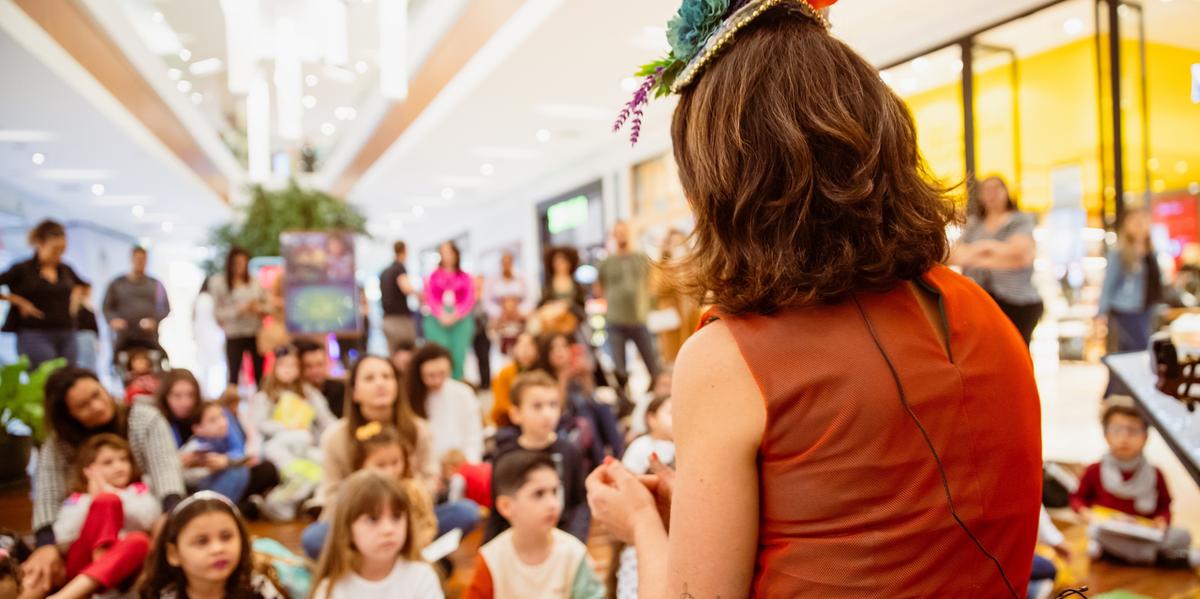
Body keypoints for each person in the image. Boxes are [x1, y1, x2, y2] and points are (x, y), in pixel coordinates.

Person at [587, 2, 1041, 597]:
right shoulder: (982, 313)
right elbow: (890, 515)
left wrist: (642, 524)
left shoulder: (730, 359)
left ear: (723, 182)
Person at [24, 367, 185, 598]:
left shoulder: (144, 419)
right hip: (80, 551)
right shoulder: (58, 448)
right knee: (39, 568)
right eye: (83, 406)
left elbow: (167, 476)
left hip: (137, 544)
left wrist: (169, 516)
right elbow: (50, 505)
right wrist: (47, 545)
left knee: (142, 541)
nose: (97, 406)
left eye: (97, 394)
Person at [303, 356, 479, 560]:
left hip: (411, 519)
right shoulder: (336, 437)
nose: (380, 383)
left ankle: (408, 556)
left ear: (397, 385)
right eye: (369, 378)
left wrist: (408, 501)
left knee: (466, 512)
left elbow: (430, 479)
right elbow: (332, 493)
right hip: (356, 524)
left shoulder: (419, 430)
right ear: (355, 392)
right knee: (314, 538)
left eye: (387, 376)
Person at [1070, 398, 1198, 567]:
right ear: (1106, 435)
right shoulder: (1095, 469)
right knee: (1098, 533)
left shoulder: (1155, 473)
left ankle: (1116, 555)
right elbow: (1077, 498)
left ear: (1145, 436)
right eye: (1116, 430)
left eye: (1133, 430)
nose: (1124, 437)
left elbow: (1165, 505)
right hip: (1110, 531)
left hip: (1144, 532)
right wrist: (1085, 512)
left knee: (1183, 536)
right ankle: (1160, 558)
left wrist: (1162, 521)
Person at [464, 450, 604, 599]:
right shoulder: (491, 558)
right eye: (539, 494)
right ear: (506, 506)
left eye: (554, 492)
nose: (553, 504)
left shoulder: (574, 554)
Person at [48, 434, 158, 599]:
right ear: (88, 470)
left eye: (124, 459)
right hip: (80, 569)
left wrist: (112, 493)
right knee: (106, 501)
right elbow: (63, 540)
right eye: (108, 462)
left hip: (123, 573)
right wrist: (94, 501)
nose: (119, 467)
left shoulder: (137, 491)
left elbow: (150, 519)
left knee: (140, 541)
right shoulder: (78, 499)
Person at [155, 370, 279, 515]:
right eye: (177, 396)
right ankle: (232, 509)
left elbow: (240, 451)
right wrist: (181, 464)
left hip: (225, 473)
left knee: (261, 470)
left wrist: (225, 461)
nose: (185, 402)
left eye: (190, 395)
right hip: (193, 483)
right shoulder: (161, 423)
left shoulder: (213, 410)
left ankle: (231, 507)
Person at [485, 371, 588, 543]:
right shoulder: (505, 457)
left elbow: (579, 503)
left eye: (553, 405)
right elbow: (497, 513)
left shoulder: (570, 451)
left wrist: (575, 539)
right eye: (537, 406)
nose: (547, 414)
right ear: (516, 413)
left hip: (562, 539)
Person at [310, 470, 444, 599]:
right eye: (372, 519)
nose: (388, 529)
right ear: (347, 528)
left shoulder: (421, 577)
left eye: (396, 517)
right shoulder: (331, 589)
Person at [135, 492, 287, 599]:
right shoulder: (166, 596)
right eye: (202, 541)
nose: (218, 549)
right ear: (174, 554)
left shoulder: (258, 589)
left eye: (226, 537)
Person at [950, 176, 1043, 345]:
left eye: (996, 189)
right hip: (981, 302)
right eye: (987, 190)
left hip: (1018, 302)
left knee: (1017, 354)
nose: (991, 194)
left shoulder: (1020, 219)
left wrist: (981, 250)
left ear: (1006, 192)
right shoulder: (975, 224)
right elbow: (956, 256)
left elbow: (1021, 255)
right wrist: (1000, 253)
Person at [0, 219, 86, 367]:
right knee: (45, 377)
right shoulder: (22, 269)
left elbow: (84, 285)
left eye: (62, 249)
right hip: (35, 333)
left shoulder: (65, 269)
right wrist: (18, 301)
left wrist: (76, 297)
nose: (59, 254)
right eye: (55, 249)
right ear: (40, 244)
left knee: (69, 377)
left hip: (66, 331)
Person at [615, 396, 675, 599]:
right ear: (651, 418)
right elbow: (627, 484)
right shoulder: (641, 446)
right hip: (647, 522)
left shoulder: (685, 445)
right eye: (670, 413)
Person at [537, 332, 623, 469]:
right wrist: (563, 378)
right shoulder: (545, 378)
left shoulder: (576, 370)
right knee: (586, 417)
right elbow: (559, 408)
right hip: (564, 422)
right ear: (546, 353)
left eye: (563, 346)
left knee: (603, 408)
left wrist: (586, 376)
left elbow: (590, 395)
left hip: (588, 415)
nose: (559, 352)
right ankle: (601, 463)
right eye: (553, 348)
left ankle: (619, 455)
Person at [245, 345, 336, 470]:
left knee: (322, 459)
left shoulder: (309, 393)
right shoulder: (264, 396)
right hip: (278, 442)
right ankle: (296, 473)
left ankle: (303, 475)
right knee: (274, 449)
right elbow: (259, 425)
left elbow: (326, 419)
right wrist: (286, 427)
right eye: (282, 365)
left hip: (304, 442)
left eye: (292, 365)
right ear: (274, 367)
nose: (287, 370)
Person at [597, 221, 660, 388]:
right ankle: (626, 402)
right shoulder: (607, 262)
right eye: (617, 232)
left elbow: (652, 283)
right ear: (613, 236)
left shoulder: (641, 258)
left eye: (623, 232)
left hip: (639, 319)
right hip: (615, 320)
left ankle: (654, 396)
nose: (621, 236)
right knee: (620, 370)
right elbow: (600, 288)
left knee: (654, 366)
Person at [1097, 208, 1162, 353]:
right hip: (1125, 308)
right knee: (1140, 348)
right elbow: (1108, 283)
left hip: (1147, 306)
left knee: (1126, 350)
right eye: (1136, 221)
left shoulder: (1151, 251)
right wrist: (1101, 312)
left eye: (1143, 221)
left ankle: (1118, 376)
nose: (1140, 225)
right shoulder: (1119, 252)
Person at [407, 344, 484, 464]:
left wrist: (467, 464)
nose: (437, 380)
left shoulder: (463, 393)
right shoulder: (410, 397)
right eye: (431, 376)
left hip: (461, 464)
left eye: (442, 373)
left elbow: (474, 436)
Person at [208, 247, 267, 388]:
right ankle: (231, 405)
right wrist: (238, 309)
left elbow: (265, 305)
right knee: (233, 374)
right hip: (234, 334)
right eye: (237, 262)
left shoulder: (255, 282)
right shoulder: (219, 283)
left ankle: (260, 403)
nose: (240, 266)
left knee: (260, 373)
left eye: (243, 262)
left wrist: (257, 308)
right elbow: (217, 313)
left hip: (255, 332)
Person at [102, 246, 171, 355]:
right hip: (123, 336)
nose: (140, 262)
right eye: (137, 259)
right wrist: (113, 320)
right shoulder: (117, 283)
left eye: (143, 259)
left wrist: (154, 320)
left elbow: (165, 307)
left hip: (148, 336)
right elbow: (107, 307)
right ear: (132, 259)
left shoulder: (156, 284)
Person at [423, 241, 476, 381]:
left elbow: (469, 298)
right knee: (440, 353)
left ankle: (458, 381)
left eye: (449, 252)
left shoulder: (465, 277)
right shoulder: (433, 277)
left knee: (459, 354)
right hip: (437, 319)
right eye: (443, 252)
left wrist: (456, 315)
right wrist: (441, 314)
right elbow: (430, 297)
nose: (446, 256)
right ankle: (441, 381)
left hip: (460, 319)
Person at [651, 230, 700, 364]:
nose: (677, 246)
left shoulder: (693, 264)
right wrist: (673, 267)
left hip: (691, 316)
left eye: (680, 243)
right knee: (674, 359)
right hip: (671, 319)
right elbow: (656, 289)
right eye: (673, 243)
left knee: (694, 356)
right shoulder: (661, 267)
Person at [489, 333, 540, 428]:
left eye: (530, 345)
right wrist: (523, 413)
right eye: (521, 345)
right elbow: (500, 404)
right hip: (508, 421)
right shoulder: (505, 373)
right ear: (515, 348)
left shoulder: (541, 373)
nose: (525, 350)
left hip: (537, 420)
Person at [485, 252, 530, 354]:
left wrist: (519, 312)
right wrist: (499, 313)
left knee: (521, 346)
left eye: (509, 261)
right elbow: (487, 301)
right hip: (501, 320)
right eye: (504, 262)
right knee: (503, 349)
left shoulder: (521, 278)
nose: (506, 264)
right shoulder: (493, 280)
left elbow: (529, 298)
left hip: (518, 319)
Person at [380, 241, 418, 356]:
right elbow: (406, 288)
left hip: (387, 320)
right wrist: (421, 295)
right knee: (408, 354)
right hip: (400, 321)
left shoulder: (384, 272)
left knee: (393, 354)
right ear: (404, 251)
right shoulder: (399, 268)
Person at [297, 340, 348, 418]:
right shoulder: (295, 393)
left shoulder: (340, 390)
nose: (315, 371)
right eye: (308, 366)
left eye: (319, 364)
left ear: (327, 364)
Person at [73, 283, 100, 372]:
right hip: (81, 335)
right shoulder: (77, 304)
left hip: (90, 336)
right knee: (84, 363)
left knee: (91, 363)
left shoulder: (89, 303)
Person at [471, 275, 492, 390]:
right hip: (473, 331)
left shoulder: (487, 298)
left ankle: (486, 382)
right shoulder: (470, 298)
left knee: (484, 357)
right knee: (477, 358)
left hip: (484, 332)